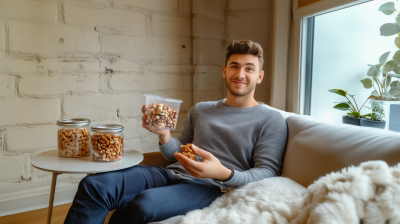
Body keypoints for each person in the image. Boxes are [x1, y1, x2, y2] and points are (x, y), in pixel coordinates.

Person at [64, 40, 288, 224]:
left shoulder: (271, 119)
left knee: (142, 205)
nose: (240, 73)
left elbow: (268, 172)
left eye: (249, 68)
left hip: (210, 186)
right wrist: (164, 135)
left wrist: (223, 174)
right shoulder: (202, 109)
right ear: (224, 71)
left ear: (259, 76)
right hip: (171, 173)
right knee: (95, 185)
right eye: (234, 66)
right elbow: (177, 153)